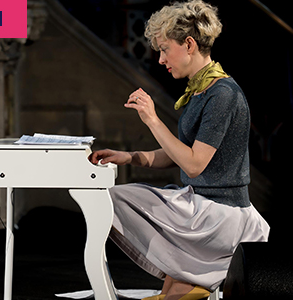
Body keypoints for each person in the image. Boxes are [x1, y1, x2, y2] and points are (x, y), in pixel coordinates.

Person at [89, 1, 270, 299]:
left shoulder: (222, 95)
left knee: (114, 199)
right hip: (198, 205)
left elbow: (194, 164)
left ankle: (195, 279)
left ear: (188, 44)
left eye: (164, 49)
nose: (160, 59)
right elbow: (178, 152)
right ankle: (187, 282)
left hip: (218, 214)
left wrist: (152, 119)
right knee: (111, 198)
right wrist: (131, 157)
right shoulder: (200, 90)